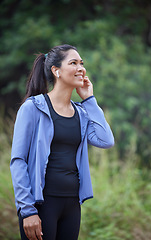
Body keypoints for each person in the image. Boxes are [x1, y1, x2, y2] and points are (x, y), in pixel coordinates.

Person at [10, 44, 114, 240]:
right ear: (56, 71)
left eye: (81, 63)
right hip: (42, 204)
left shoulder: (82, 113)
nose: (81, 68)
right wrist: (27, 210)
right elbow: (18, 161)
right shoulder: (33, 108)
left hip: (72, 204)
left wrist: (89, 100)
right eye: (73, 63)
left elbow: (105, 140)